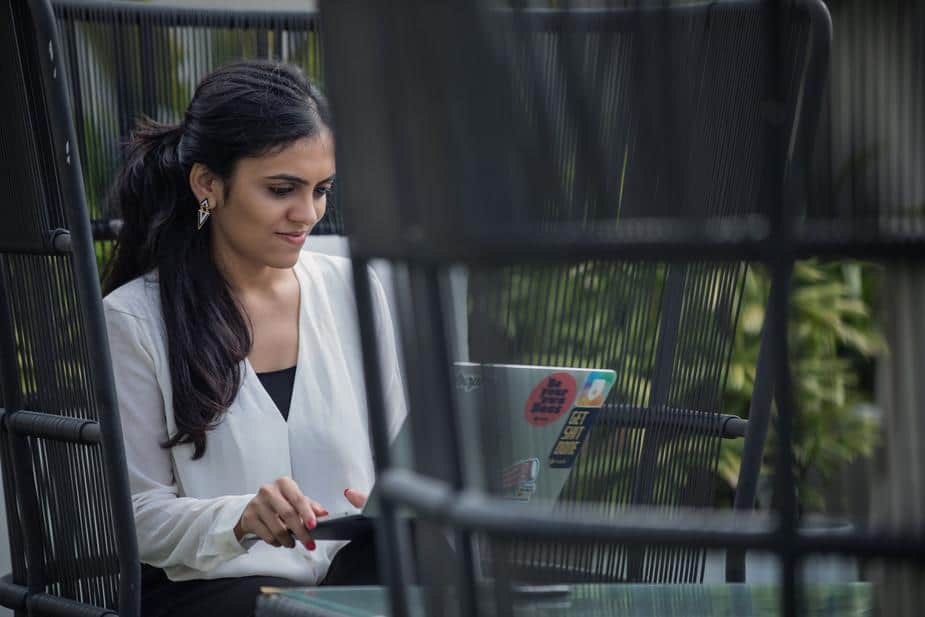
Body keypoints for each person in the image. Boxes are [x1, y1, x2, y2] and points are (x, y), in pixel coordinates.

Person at [102, 60, 406, 617]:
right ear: (207, 184)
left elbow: (396, 455)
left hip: (347, 577)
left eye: (321, 190)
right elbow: (136, 516)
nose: (307, 214)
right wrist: (240, 518)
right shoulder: (134, 320)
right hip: (212, 591)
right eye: (281, 189)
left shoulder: (354, 291)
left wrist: (398, 502)